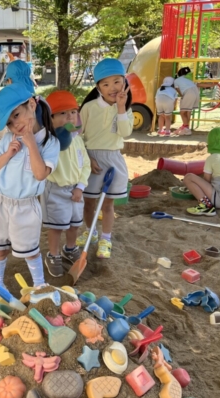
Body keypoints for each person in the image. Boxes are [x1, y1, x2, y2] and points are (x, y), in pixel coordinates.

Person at [0, 83, 60, 289]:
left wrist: (31, 143)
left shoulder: (50, 143)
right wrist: (8, 154)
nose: (15, 124)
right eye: (10, 122)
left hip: (25, 207)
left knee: (30, 250)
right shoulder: (8, 139)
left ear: (31, 104)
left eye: (17, 114)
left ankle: (40, 286)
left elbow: (40, 174)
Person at [78, 58, 133, 259]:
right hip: (92, 159)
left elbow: (125, 133)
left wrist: (120, 108)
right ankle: (90, 231)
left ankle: (106, 238)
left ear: (124, 82)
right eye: (106, 83)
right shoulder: (89, 107)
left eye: (117, 81)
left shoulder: (126, 108)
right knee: (89, 202)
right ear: (98, 87)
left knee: (108, 204)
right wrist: (87, 158)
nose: (112, 87)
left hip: (114, 159)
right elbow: (78, 136)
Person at [41, 90, 90, 277]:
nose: (69, 116)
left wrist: (80, 186)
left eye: (73, 111)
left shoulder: (77, 140)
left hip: (75, 190)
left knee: (74, 224)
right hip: (55, 190)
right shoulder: (49, 141)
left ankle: (69, 249)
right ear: (51, 118)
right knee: (56, 226)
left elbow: (85, 164)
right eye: (62, 113)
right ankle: (53, 255)